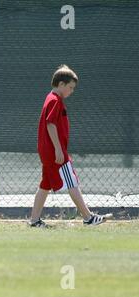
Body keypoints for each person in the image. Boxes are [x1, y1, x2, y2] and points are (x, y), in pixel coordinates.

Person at [30, 65, 111, 227]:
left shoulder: (51, 98)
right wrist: (59, 149)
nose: (71, 91)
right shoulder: (55, 100)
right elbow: (50, 124)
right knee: (71, 181)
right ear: (61, 84)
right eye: (70, 87)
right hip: (55, 152)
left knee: (45, 184)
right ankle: (88, 218)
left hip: (48, 151)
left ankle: (34, 221)